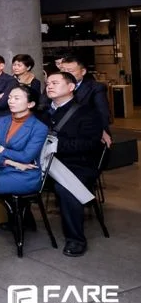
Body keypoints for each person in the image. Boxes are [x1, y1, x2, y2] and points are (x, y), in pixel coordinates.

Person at [41, 71, 103, 257]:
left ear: (71, 87)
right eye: (48, 83)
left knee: (65, 189)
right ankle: (24, 222)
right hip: (46, 164)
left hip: (77, 165)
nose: (49, 86)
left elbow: (91, 144)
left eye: (55, 83)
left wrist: (57, 146)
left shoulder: (87, 112)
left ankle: (76, 239)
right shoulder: (43, 112)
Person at [0, 85, 48, 195]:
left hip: (24, 174)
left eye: (16, 98)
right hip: (0, 166)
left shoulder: (39, 127)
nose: (11, 101)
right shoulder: (2, 121)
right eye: (10, 97)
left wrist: (2, 150)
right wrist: (9, 162)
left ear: (30, 104)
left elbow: (26, 157)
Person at [60, 56, 112, 147]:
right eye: (63, 71)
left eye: (70, 71)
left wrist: (101, 130)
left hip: (84, 133)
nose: (66, 74)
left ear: (83, 71)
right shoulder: (53, 86)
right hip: (60, 132)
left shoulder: (95, 88)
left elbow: (102, 112)